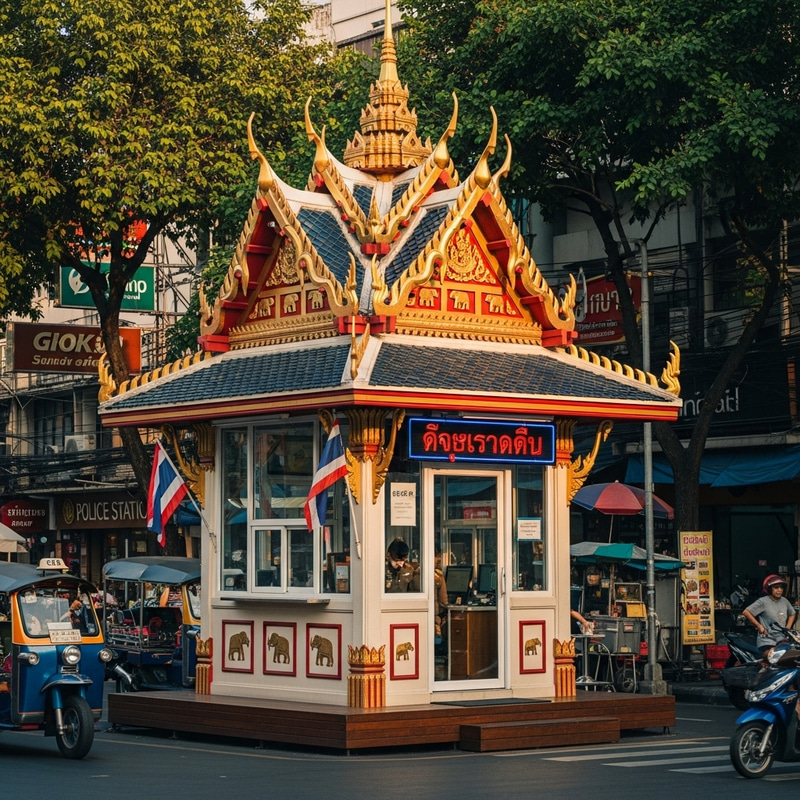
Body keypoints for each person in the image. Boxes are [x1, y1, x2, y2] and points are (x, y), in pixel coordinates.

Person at [742, 574, 797, 653]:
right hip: (767, 640)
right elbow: (746, 612)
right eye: (776, 588)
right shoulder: (763, 601)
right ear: (770, 589)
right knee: (769, 656)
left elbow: (792, 613)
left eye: (781, 587)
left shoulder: (785, 601)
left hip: (782, 639)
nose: (779, 590)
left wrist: (788, 627)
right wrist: (759, 626)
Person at [433, 548, 448, 645]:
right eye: (437, 557)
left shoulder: (415, 572)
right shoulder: (438, 576)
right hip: (435, 618)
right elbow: (443, 601)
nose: (438, 560)